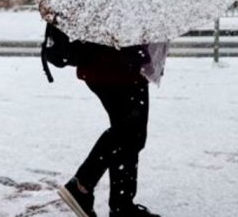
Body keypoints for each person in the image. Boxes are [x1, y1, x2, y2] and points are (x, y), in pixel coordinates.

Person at [58, 41, 169, 217]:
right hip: (118, 66)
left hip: (108, 64)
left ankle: (121, 204)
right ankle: (82, 185)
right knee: (130, 132)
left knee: (129, 136)